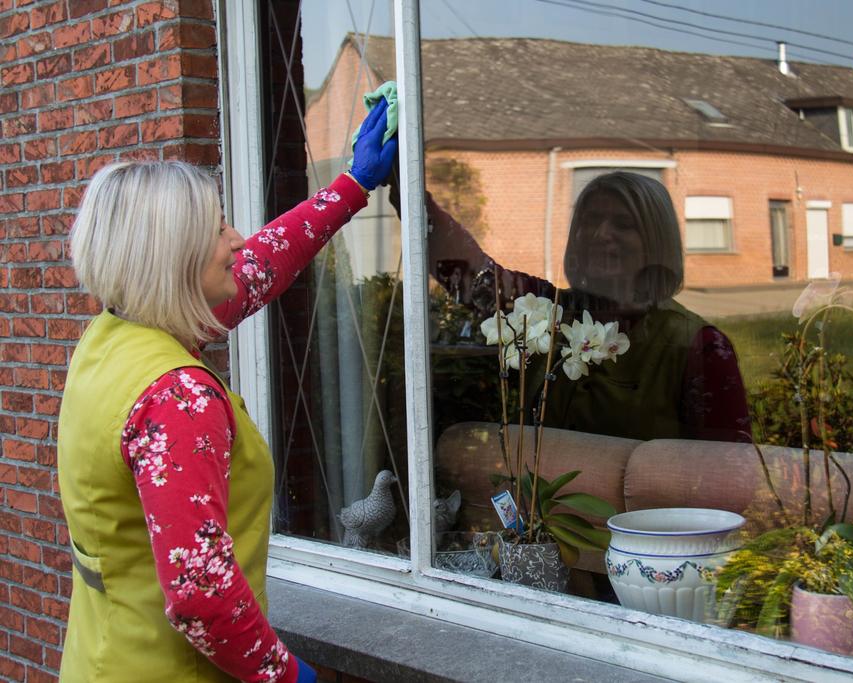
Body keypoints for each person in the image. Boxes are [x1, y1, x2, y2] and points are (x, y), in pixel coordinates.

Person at [56, 101, 397, 682]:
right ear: (174, 259)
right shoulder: (177, 397)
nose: (236, 238)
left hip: (100, 660)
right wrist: (287, 675)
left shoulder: (112, 336)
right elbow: (201, 595)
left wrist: (352, 184)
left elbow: (261, 264)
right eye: (216, 229)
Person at [405, 170, 750, 442]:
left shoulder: (698, 346)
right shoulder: (545, 310)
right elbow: (469, 273)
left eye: (623, 224)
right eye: (590, 220)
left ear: (657, 242)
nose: (601, 234)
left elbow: (725, 475)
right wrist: (403, 182)